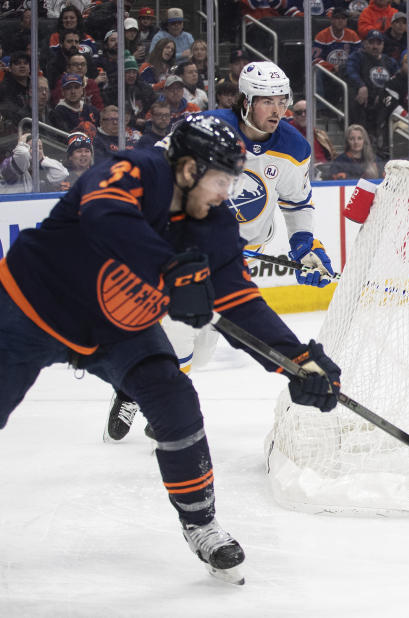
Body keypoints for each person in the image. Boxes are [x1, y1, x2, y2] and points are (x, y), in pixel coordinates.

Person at [0, 114, 339, 584]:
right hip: (31, 308)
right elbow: (104, 215)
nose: (227, 194)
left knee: (176, 401)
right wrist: (172, 266)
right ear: (187, 170)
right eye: (221, 179)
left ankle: (202, 526)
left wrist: (294, 360)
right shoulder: (135, 170)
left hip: (118, 328)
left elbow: (238, 298)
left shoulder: (216, 221)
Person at [103, 62, 340, 440]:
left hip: (235, 257)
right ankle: (162, 405)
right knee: (179, 333)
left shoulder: (294, 148)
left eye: (282, 100)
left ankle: (133, 384)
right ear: (245, 102)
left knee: (202, 350)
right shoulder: (205, 129)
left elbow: (298, 204)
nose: (278, 110)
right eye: (267, 102)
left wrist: (303, 243)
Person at [0, 133, 69, 193]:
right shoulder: (8, 164)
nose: (37, 151)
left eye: (40, 147)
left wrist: (42, 159)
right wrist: (21, 142)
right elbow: (22, 154)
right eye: (32, 147)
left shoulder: (43, 167)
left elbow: (62, 174)